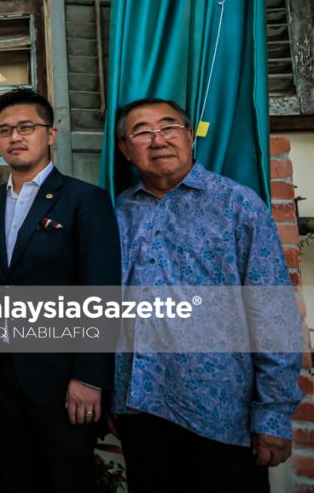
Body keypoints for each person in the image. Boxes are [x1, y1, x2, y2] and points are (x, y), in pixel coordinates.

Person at [112, 97, 302, 492]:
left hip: (219, 413)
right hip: (139, 407)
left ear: (189, 137)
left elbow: (273, 313)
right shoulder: (116, 213)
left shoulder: (238, 206)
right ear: (125, 149)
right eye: (142, 132)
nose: (158, 139)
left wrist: (272, 413)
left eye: (169, 127)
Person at [0, 88, 120, 492]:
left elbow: (102, 292)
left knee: (66, 481)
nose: (15, 137)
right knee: (13, 480)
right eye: (5, 130)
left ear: (50, 135)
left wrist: (90, 377)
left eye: (26, 127)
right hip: (0, 374)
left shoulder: (85, 201)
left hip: (61, 380)